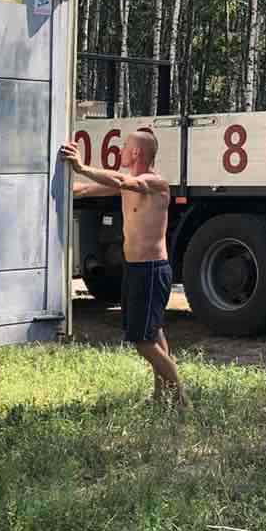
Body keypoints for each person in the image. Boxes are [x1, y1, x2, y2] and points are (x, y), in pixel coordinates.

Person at [59, 126, 185, 405]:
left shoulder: (154, 183)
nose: (120, 151)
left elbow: (121, 181)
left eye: (125, 146)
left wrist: (81, 165)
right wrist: (55, 184)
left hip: (152, 270)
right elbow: (86, 189)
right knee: (153, 333)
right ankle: (160, 395)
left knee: (143, 341)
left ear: (137, 152)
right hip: (136, 269)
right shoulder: (128, 181)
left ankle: (180, 402)